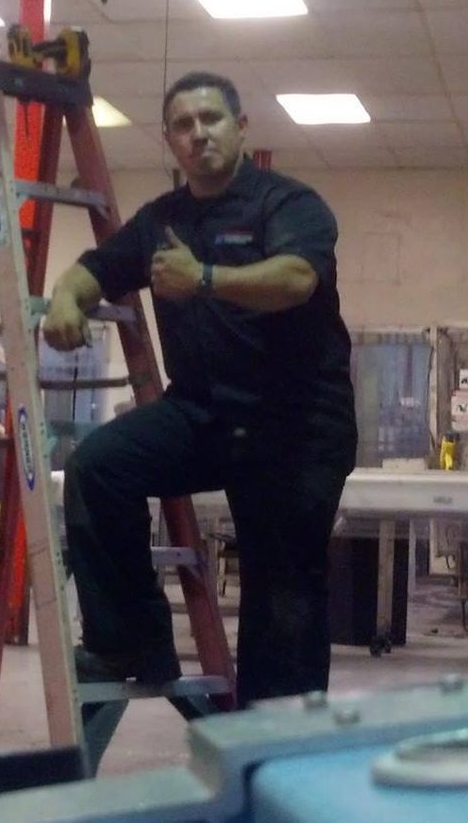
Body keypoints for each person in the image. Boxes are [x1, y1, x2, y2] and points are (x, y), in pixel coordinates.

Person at [41, 70, 357, 706]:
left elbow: (296, 279)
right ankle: (132, 640)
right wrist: (65, 299)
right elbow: (97, 269)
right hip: (206, 413)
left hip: (296, 426)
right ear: (169, 139)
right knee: (98, 468)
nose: (198, 134)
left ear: (240, 128)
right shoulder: (163, 221)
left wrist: (204, 277)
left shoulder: (287, 204)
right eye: (183, 125)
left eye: (211, 120)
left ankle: (276, 742)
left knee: (280, 588)